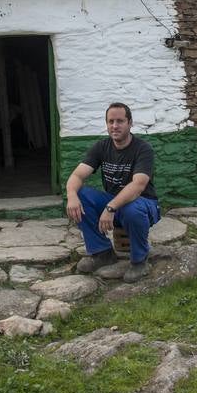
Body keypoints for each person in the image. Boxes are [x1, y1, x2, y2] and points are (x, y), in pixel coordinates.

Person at [65, 102, 160, 283]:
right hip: (114, 202)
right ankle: (102, 253)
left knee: (133, 210)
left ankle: (139, 261)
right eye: (111, 121)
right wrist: (71, 196)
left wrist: (110, 208)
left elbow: (138, 185)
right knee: (81, 195)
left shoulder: (143, 148)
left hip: (143, 202)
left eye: (120, 121)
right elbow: (77, 175)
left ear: (130, 123)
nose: (115, 126)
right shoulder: (101, 147)